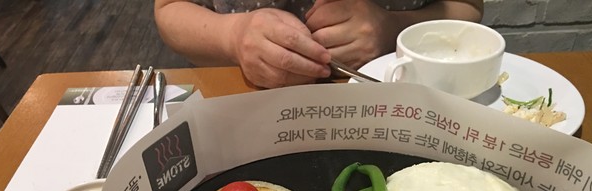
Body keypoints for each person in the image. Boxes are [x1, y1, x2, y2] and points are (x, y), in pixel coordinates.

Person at [154, 0, 484, 89]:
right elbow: (169, 9)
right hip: (241, 99)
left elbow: (468, 6)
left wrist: (394, 27)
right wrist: (233, 35)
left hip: (394, 99)